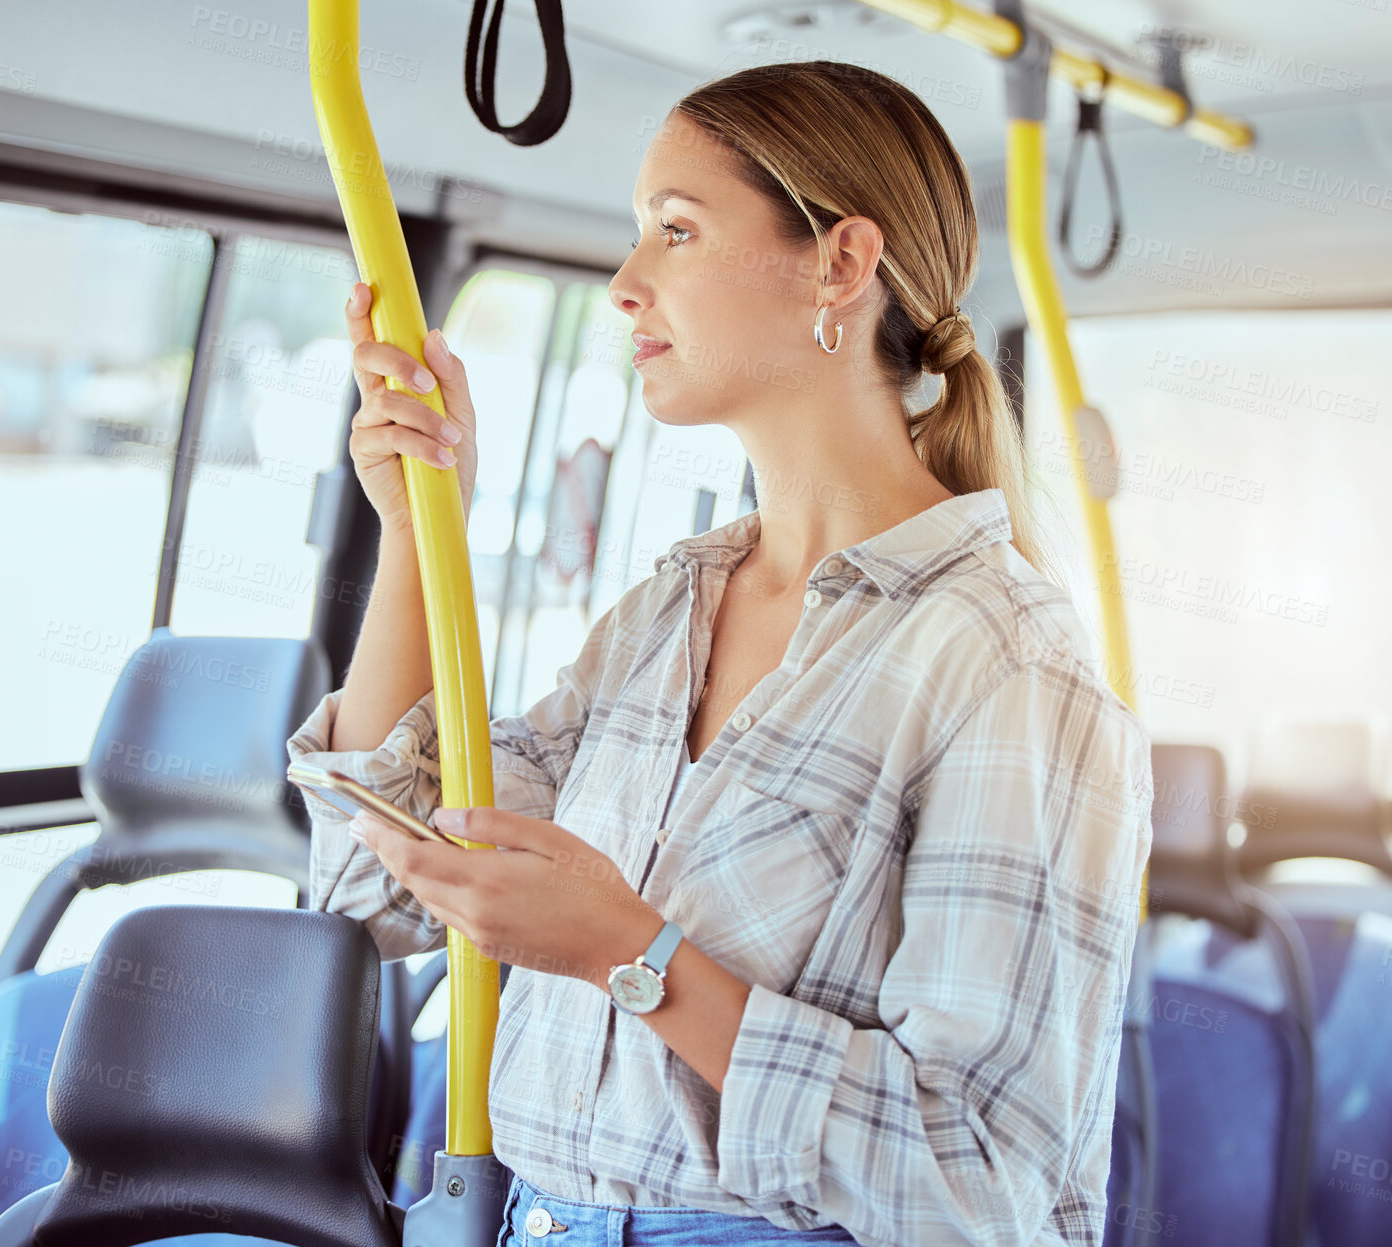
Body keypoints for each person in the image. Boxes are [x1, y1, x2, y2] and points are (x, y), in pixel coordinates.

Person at [288, 60, 1153, 1247]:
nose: (625, 284)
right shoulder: (665, 612)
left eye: (676, 231)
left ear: (839, 265)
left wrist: (627, 952)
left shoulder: (1005, 664)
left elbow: (981, 1184)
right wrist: (413, 523)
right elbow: (379, 883)